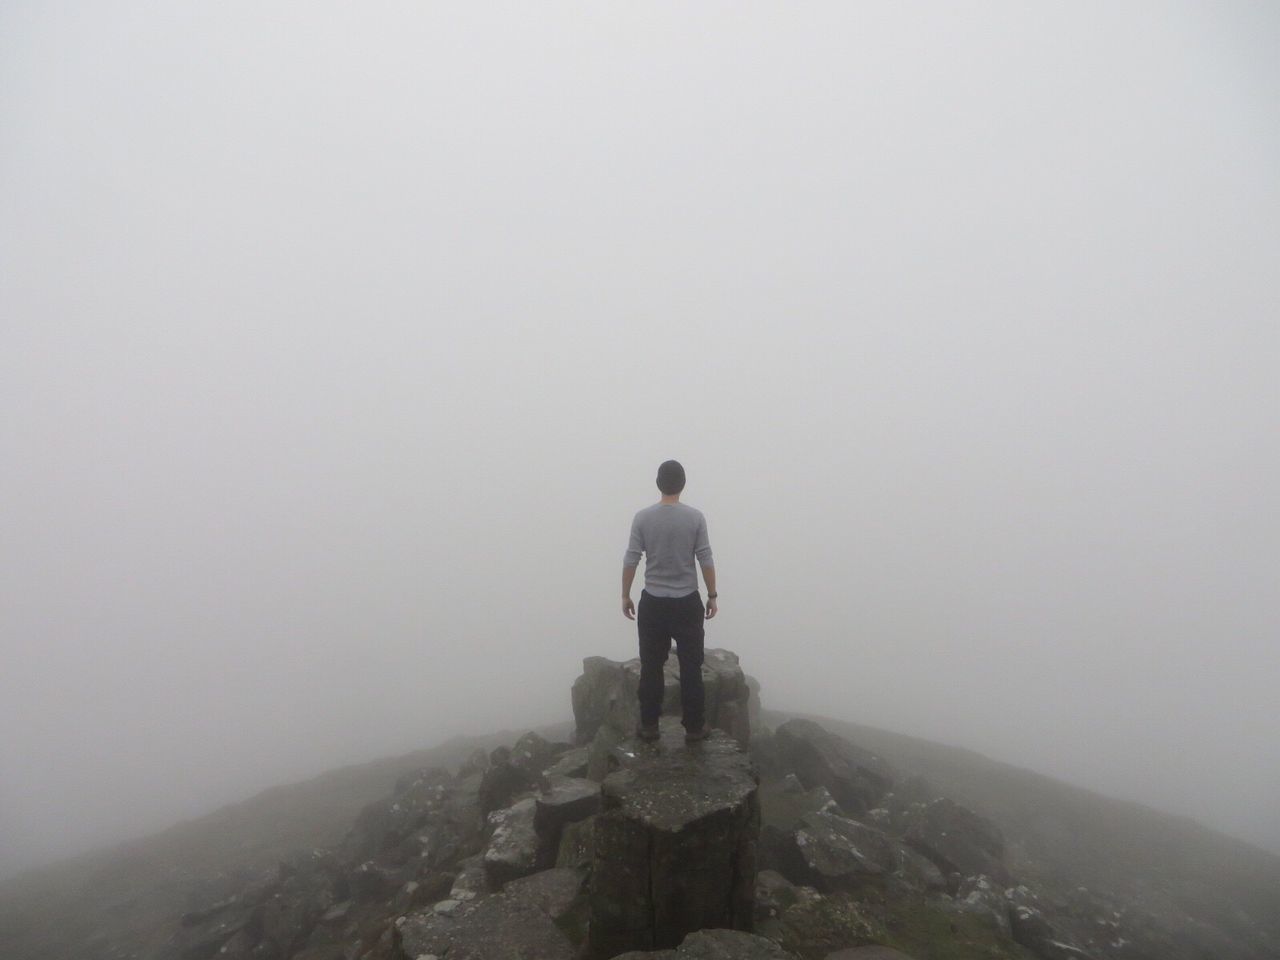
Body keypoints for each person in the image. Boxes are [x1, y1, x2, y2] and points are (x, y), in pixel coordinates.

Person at [621, 460, 718, 743]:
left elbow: (631, 559)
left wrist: (625, 595)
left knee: (651, 666)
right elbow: (705, 558)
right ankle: (694, 728)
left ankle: (650, 725)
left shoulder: (642, 518)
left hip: (653, 602)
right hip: (687, 602)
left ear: (658, 483)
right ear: (683, 483)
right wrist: (712, 595)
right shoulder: (695, 518)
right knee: (691, 666)